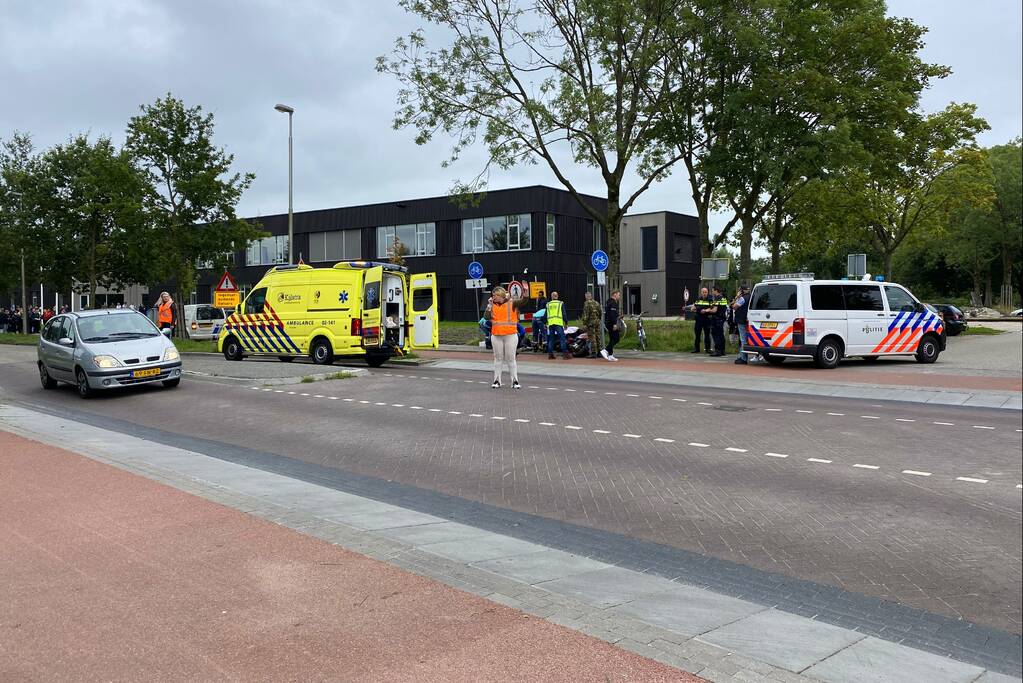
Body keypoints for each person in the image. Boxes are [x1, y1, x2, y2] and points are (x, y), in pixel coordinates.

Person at [484, 286, 527, 388]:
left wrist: (526, 294)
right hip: (496, 335)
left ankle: (515, 381)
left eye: (496, 295)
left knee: (510, 358)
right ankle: (496, 381)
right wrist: (489, 305)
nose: (494, 297)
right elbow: (486, 317)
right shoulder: (492, 305)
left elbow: (523, 301)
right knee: (498, 358)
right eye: (493, 295)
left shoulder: (512, 303)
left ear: (501, 295)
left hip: (510, 335)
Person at [731, 284, 753, 364]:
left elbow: (734, 306)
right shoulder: (751, 296)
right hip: (748, 320)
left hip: (741, 320)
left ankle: (743, 358)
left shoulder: (742, 298)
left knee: (743, 339)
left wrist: (737, 297)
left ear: (741, 291)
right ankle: (742, 356)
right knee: (746, 339)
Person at [545, 291, 570, 360]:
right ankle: (565, 354)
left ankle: (550, 354)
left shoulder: (548, 304)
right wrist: (566, 322)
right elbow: (564, 314)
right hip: (558, 323)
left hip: (550, 324)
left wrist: (545, 323)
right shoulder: (560, 303)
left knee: (551, 339)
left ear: (551, 297)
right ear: (557, 296)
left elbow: (545, 315)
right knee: (562, 338)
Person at [600, 289, 621, 361]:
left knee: (612, 339)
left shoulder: (609, 301)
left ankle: (610, 355)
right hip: (611, 323)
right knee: (616, 339)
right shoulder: (613, 303)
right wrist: (614, 324)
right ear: (614, 294)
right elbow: (612, 314)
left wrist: (618, 316)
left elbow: (611, 313)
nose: (619, 296)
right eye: (618, 295)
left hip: (608, 322)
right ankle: (605, 350)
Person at [581, 291, 602, 358]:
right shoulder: (596, 303)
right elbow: (600, 312)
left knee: (592, 337)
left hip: (590, 323)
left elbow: (586, 314)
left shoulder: (587, 303)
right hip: (597, 322)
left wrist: (584, 323)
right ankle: (599, 352)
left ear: (586, 296)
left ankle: (594, 353)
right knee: (598, 336)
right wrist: (598, 319)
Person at [690, 287, 712, 353]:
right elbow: (693, 308)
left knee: (707, 334)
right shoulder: (698, 299)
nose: (705, 293)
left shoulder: (710, 299)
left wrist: (705, 310)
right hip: (699, 319)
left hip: (706, 318)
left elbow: (711, 308)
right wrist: (696, 309)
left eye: (706, 292)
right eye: (703, 292)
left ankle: (708, 349)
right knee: (697, 334)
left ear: (707, 292)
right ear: (701, 292)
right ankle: (697, 349)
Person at [709, 285, 728, 356]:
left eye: (713, 290)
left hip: (716, 318)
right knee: (721, 335)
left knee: (715, 334)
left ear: (716, 291)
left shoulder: (717, 298)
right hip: (722, 318)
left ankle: (717, 351)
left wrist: (707, 310)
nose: (712, 292)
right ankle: (722, 350)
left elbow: (714, 310)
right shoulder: (723, 298)